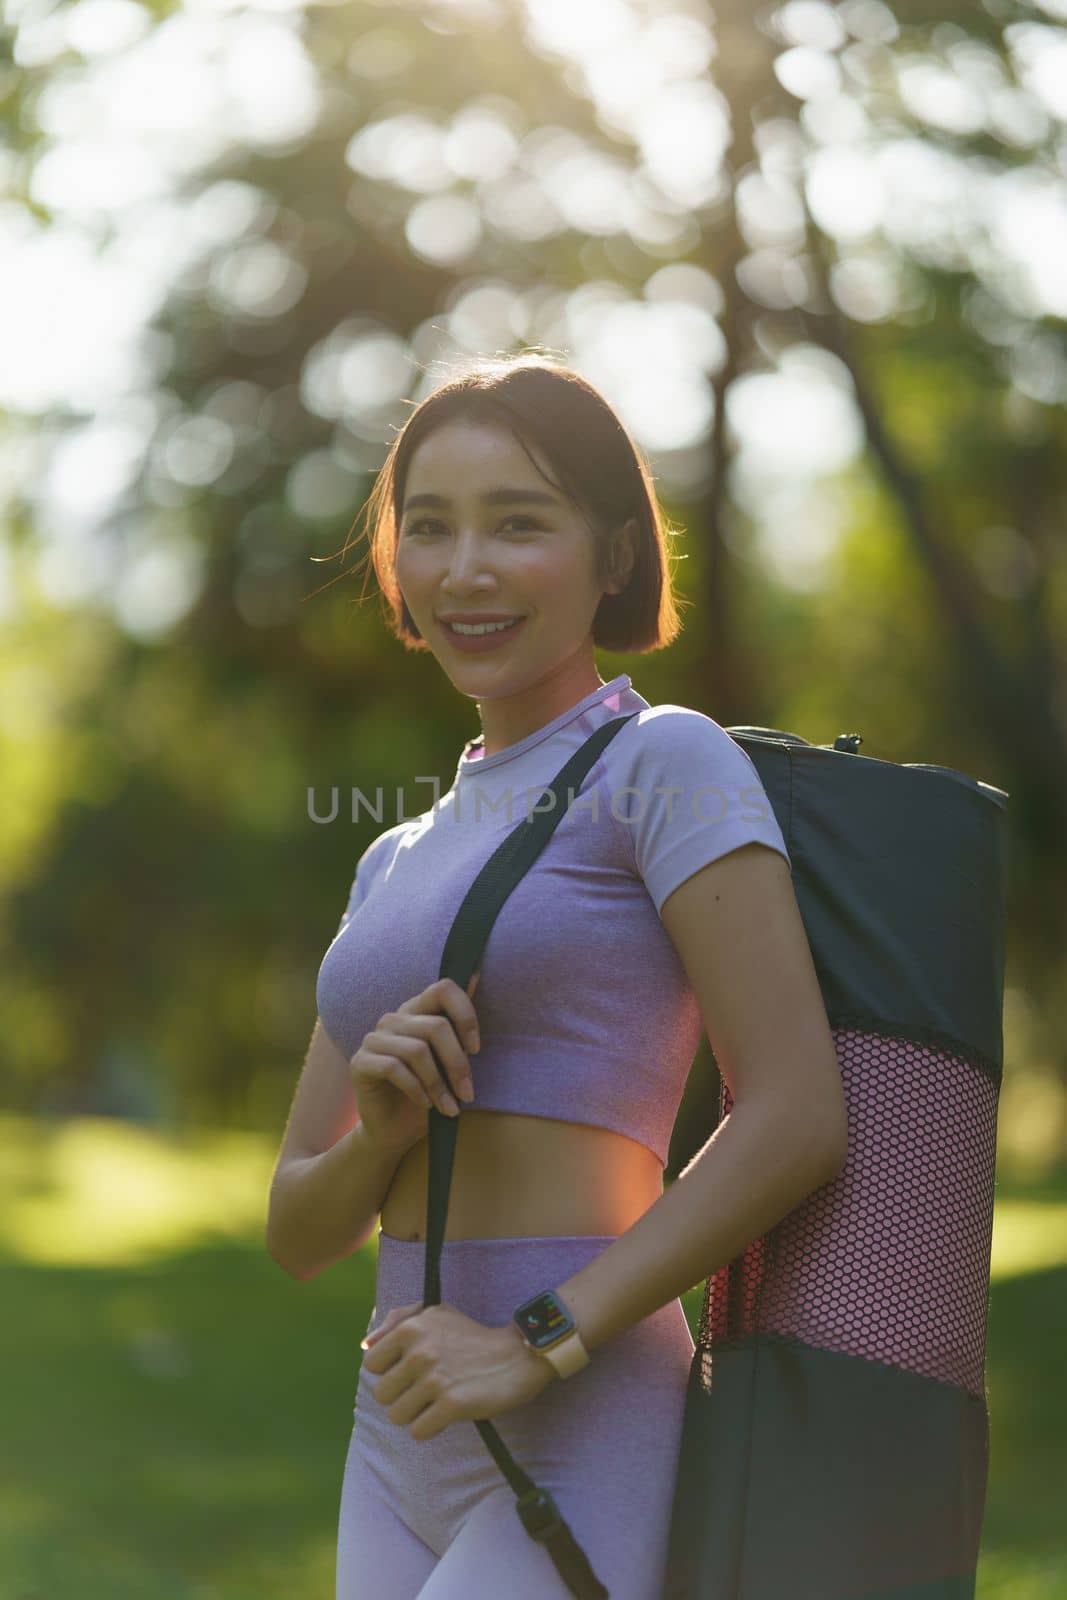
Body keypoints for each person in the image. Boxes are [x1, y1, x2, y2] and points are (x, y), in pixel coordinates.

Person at [266, 354, 848, 1598]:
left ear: (613, 552)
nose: (465, 569)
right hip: (399, 1420)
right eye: (429, 529)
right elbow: (296, 1231)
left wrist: (536, 1342)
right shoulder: (392, 859)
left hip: (578, 1412)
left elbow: (795, 1114)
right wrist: (378, 1138)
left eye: (517, 523)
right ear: (396, 569)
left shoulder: (662, 763)